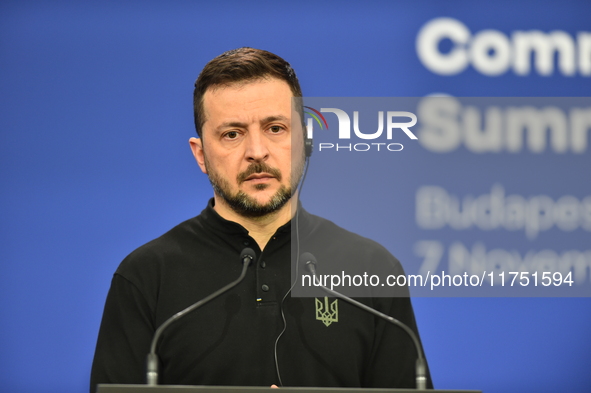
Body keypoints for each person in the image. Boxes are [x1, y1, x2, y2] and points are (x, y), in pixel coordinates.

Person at [90, 47, 431, 391]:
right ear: (201, 154)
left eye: (275, 128)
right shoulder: (147, 276)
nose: (257, 151)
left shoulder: (371, 268)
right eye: (232, 134)